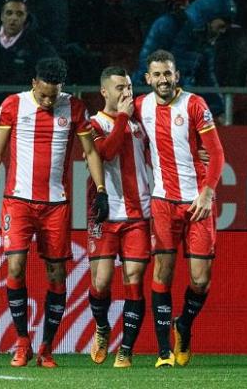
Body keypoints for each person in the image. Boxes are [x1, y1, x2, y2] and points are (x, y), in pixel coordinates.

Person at [0, 57, 109, 368]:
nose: (49, 101)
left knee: (57, 275)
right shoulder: (12, 106)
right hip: (18, 201)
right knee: (16, 267)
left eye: (54, 95)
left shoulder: (73, 108)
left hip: (56, 205)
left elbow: (90, 151)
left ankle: (47, 347)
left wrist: (101, 191)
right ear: (34, 83)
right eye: (44, 94)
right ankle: (23, 342)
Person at [135, 49, 225, 368]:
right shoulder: (139, 107)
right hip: (162, 202)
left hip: (197, 203)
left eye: (168, 73)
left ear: (177, 75)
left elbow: (216, 154)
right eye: (157, 74)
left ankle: (183, 323)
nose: (163, 80)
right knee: (162, 272)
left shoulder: (194, 105)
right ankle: (163, 353)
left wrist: (207, 192)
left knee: (200, 279)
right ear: (147, 79)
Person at [86, 66, 151, 368]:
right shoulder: (94, 124)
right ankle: (101, 328)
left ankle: (126, 349)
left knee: (134, 280)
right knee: (101, 282)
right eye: (119, 88)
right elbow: (107, 153)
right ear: (104, 92)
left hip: (139, 213)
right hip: (106, 214)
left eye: (128, 86)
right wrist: (123, 118)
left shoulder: (141, 123)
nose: (126, 92)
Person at [132, 0, 237, 118]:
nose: (222, 32)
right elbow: (146, 67)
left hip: (178, 107)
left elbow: (206, 78)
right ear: (209, 17)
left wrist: (217, 109)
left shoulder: (204, 42)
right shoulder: (168, 25)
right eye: (221, 26)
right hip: (153, 106)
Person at [0, 0, 57, 122]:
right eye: (9, 13)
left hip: (27, 110)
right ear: (1, 16)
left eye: (19, 14)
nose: (13, 18)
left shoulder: (38, 45)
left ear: (26, 17)